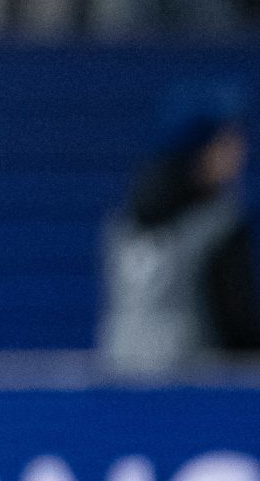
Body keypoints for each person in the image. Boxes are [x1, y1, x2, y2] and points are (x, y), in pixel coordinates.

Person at [100, 84, 260, 376]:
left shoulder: (125, 220)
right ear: (201, 151)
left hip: (121, 377)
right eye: (228, 141)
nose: (240, 151)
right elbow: (238, 325)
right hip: (194, 390)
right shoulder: (221, 223)